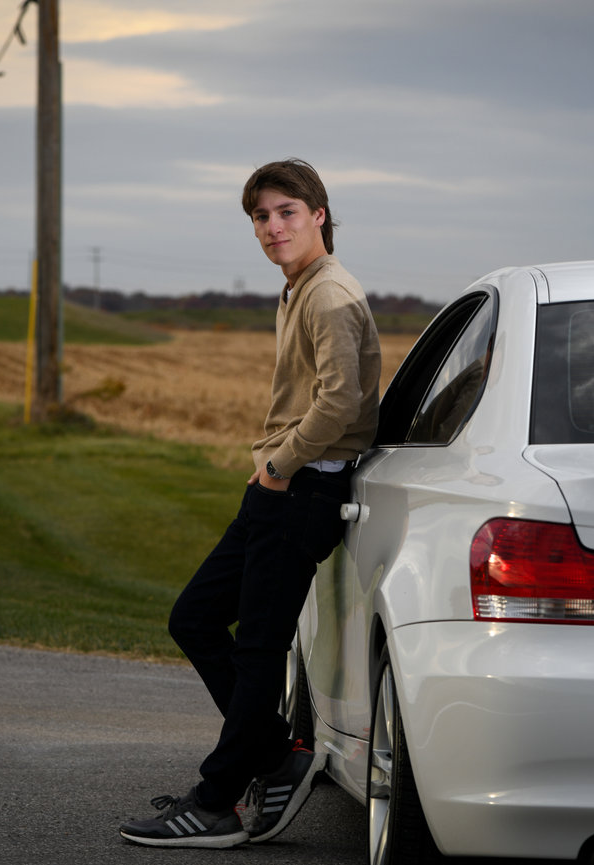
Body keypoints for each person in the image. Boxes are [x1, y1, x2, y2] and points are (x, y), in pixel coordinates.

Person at [119, 159, 381, 848]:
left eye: (286, 212)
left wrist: (277, 465)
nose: (272, 228)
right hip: (281, 486)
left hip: (301, 487)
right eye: (261, 217)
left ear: (319, 213)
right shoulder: (302, 287)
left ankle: (216, 801)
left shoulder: (328, 295)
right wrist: (271, 472)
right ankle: (276, 754)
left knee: (260, 645)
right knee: (196, 617)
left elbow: (341, 400)